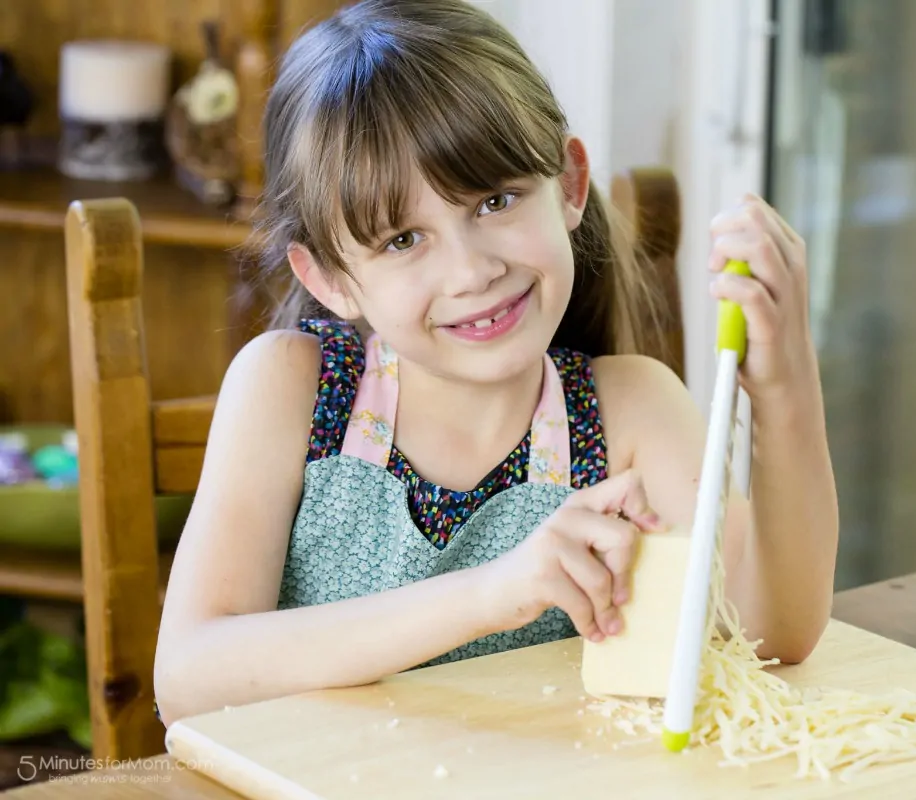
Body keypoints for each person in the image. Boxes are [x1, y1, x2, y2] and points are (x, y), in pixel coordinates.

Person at [152, 0, 838, 727]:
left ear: (569, 185)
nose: (471, 271)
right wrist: (490, 593)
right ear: (330, 279)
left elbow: (776, 631)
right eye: (403, 241)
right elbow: (193, 676)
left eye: (495, 200)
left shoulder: (627, 412)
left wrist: (785, 379)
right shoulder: (288, 388)